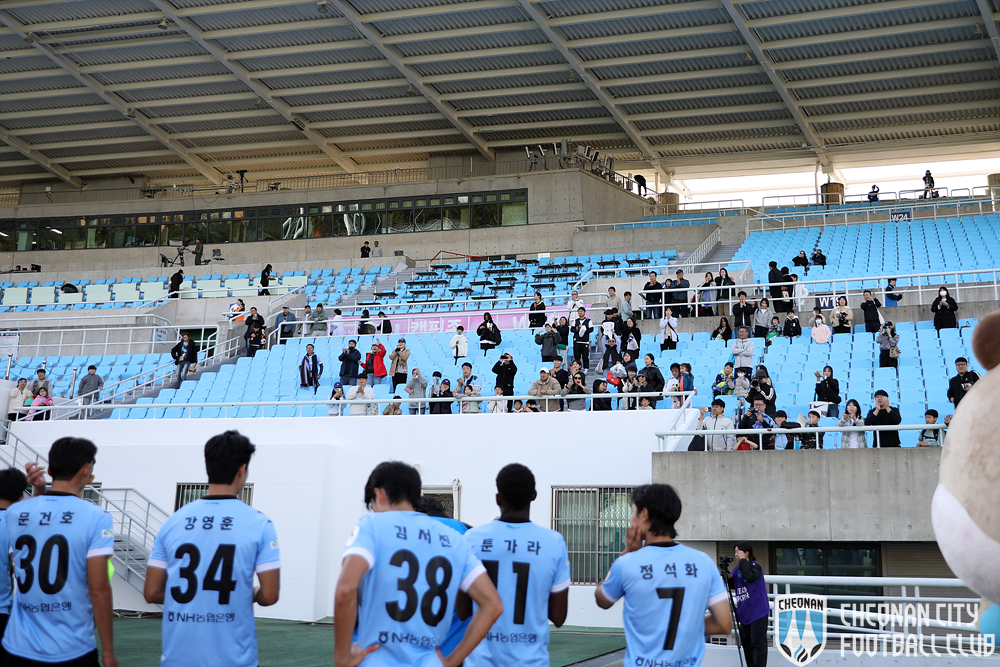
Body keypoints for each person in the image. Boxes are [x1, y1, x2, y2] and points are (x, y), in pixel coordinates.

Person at [334, 462, 502, 667]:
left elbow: (346, 589)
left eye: (372, 505)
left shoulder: (372, 525)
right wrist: (451, 661)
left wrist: (342, 656)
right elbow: (493, 604)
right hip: (429, 661)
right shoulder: (454, 538)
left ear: (379, 495)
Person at [143, 431, 280, 667]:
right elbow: (269, 596)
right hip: (235, 660)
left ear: (208, 466)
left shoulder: (173, 522)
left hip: (178, 659)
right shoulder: (259, 523)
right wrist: (246, 591)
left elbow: (152, 592)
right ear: (242, 469)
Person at [4, 437, 118, 667]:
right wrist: (108, 650)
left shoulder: (15, 513)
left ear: (50, 470)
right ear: (86, 469)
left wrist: (38, 490)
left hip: (17, 646)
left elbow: (37, 521)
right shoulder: (97, 516)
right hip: (72, 647)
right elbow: (99, 589)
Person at [595, 485, 731, 667]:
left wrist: (625, 554)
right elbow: (724, 624)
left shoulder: (627, 563)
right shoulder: (704, 562)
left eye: (633, 512)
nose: (631, 519)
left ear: (644, 514)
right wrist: (684, 624)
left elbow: (602, 599)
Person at [727, 543, 769, 667]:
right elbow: (734, 585)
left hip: (758, 612)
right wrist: (728, 576)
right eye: (735, 552)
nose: (736, 555)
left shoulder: (755, 566)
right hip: (744, 613)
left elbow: (750, 576)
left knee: (758, 644)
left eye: (738, 552)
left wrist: (743, 562)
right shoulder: (737, 569)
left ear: (746, 553)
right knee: (747, 644)